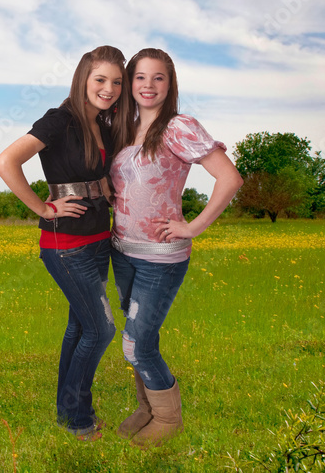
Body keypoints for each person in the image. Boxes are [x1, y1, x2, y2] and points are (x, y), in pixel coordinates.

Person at [0, 45, 130, 441]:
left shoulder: (104, 124)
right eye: (100, 80)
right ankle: (78, 420)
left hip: (99, 240)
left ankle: (68, 414)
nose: (109, 88)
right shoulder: (59, 120)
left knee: (80, 327)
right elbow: (5, 162)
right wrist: (45, 208)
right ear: (83, 79)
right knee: (101, 329)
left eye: (116, 82)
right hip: (65, 245)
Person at [109, 47, 243, 447]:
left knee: (135, 342)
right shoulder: (122, 128)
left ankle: (168, 419)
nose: (148, 86)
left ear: (170, 84)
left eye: (158, 78)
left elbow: (230, 178)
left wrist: (193, 227)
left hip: (159, 258)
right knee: (140, 337)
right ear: (130, 82)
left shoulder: (178, 127)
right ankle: (147, 409)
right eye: (140, 77)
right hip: (123, 252)